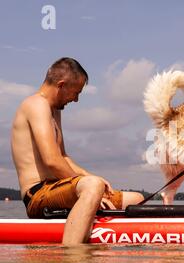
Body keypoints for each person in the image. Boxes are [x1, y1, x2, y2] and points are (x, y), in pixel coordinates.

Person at [11, 57, 144, 246]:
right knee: (92, 186)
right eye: (76, 93)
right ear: (62, 85)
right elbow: (52, 161)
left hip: (59, 190)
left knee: (134, 199)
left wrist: (92, 178)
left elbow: (63, 156)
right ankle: (73, 258)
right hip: (38, 195)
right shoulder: (36, 105)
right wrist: (90, 186)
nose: (76, 99)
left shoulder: (54, 110)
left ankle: (94, 237)